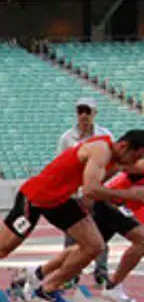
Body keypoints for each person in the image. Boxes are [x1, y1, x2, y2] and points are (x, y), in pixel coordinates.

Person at [0, 130, 144, 302]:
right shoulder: (101, 150)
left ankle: (49, 288)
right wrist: (131, 195)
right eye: (135, 157)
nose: (134, 163)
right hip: (36, 197)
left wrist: (90, 206)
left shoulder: (116, 162)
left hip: (61, 200)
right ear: (124, 146)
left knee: (94, 246)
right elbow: (91, 188)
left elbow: (89, 193)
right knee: (1, 249)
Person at [22, 169, 144, 302]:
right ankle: (113, 286)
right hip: (111, 203)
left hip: (116, 205)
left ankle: (39, 272)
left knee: (86, 249)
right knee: (141, 240)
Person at [57, 97, 113, 285]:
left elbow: (111, 164)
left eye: (87, 111)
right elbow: (60, 165)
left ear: (94, 113)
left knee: (101, 231)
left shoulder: (105, 135)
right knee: (73, 234)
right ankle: (70, 273)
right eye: (80, 111)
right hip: (74, 192)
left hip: (96, 190)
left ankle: (101, 271)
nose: (83, 115)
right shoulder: (67, 137)